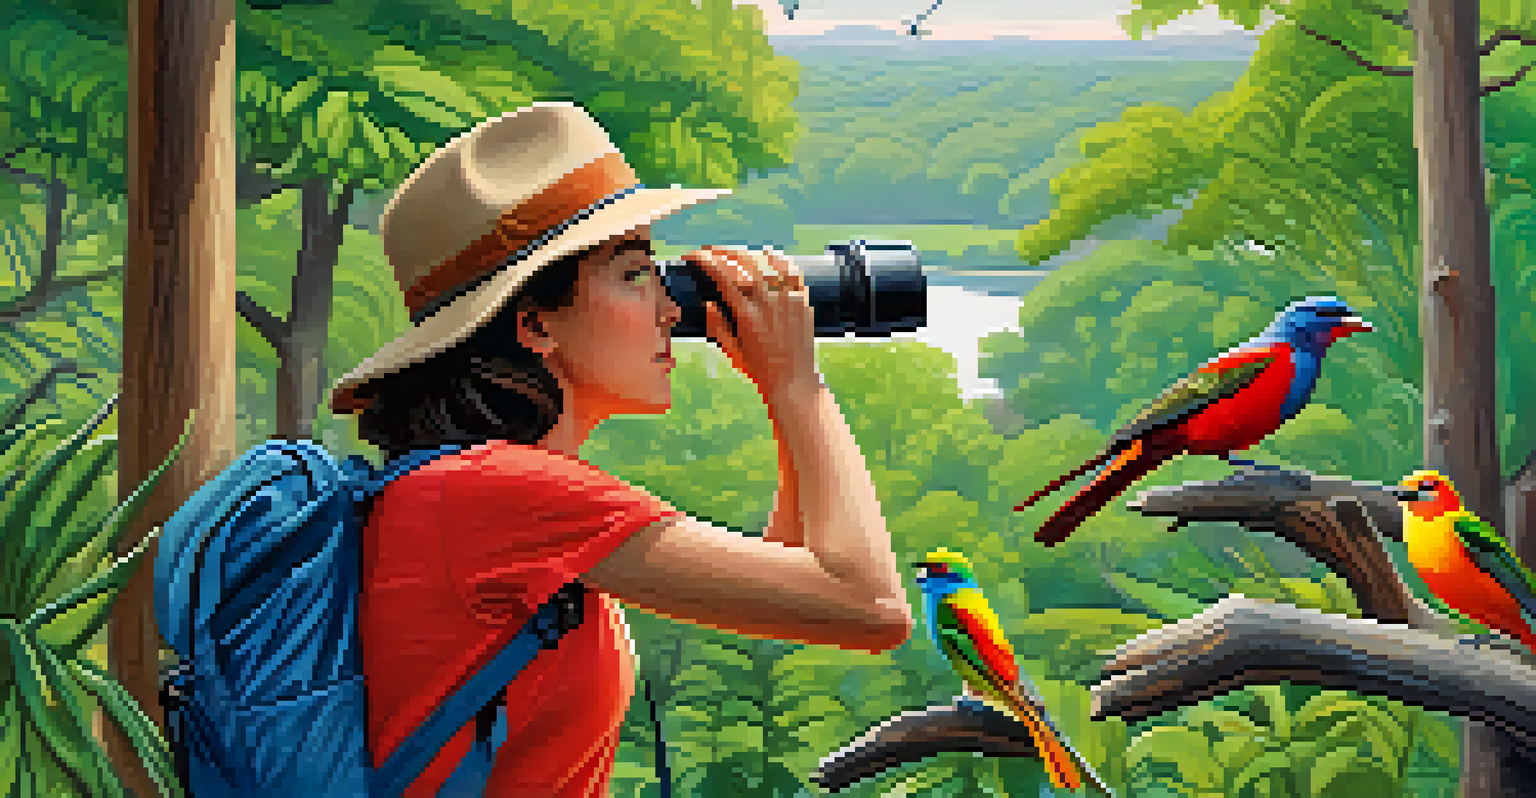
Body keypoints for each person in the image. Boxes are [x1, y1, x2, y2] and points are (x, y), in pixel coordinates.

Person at [327, 102, 913, 796]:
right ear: (536, 324)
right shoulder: (499, 492)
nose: (670, 309)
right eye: (634, 274)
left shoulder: (475, 491)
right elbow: (871, 608)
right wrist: (799, 383)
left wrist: (776, 386)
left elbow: (795, 584)